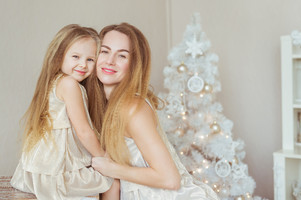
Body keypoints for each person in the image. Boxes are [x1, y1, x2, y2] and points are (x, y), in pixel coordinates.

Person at [89, 23, 219, 199]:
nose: (110, 61)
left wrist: (112, 169)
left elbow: (170, 179)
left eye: (122, 55)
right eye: (104, 51)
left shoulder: (132, 107)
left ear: (134, 65)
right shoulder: (105, 107)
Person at [10, 24, 119, 200]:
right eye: (76, 56)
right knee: (112, 180)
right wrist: (104, 158)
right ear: (59, 56)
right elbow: (84, 132)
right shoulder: (69, 85)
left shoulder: (58, 81)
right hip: (54, 172)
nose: (83, 64)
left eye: (90, 59)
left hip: (44, 168)